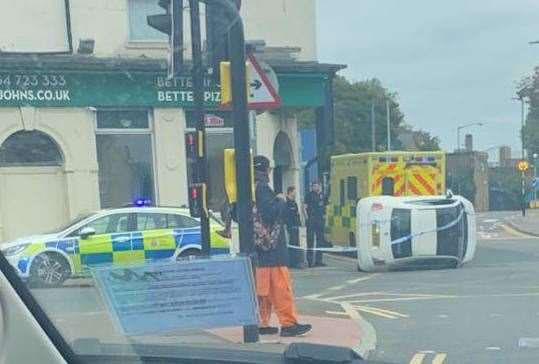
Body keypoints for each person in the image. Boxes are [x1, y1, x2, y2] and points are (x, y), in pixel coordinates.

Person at [253, 155, 312, 337]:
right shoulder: (263, 188)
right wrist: (280, 199)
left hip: (259, 248)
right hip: (273, 249)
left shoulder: (249, 186)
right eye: (269, 170)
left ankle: (261, 323)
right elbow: (270, 213)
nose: (270, 173)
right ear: (266, 170)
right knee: (281, 288)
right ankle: (289, 324)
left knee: (263, 291)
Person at [304, 181, 326, 267]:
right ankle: (310, 261)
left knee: (320, 240)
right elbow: (304, 207)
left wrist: (325, 216)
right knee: (310, 240)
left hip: (320, 220)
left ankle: (319, 260)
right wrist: (306, 218)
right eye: (314, 186)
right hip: (311, 219)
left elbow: (325, 206)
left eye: (317, 186)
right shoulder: (309, 195)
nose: (316, 188)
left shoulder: (322, 195)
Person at [285, 186, 305, 269]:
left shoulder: (294, 203)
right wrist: (288, 225)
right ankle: (290, 262)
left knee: (297, 245)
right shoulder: (286, 203)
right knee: (292, 245)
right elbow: (286, 216)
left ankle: (296, 262)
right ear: (290, 192)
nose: (295, 193)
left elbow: (297, 215)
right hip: (290, 227)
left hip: (296, 227)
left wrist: (300, 225)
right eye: (294, 192)